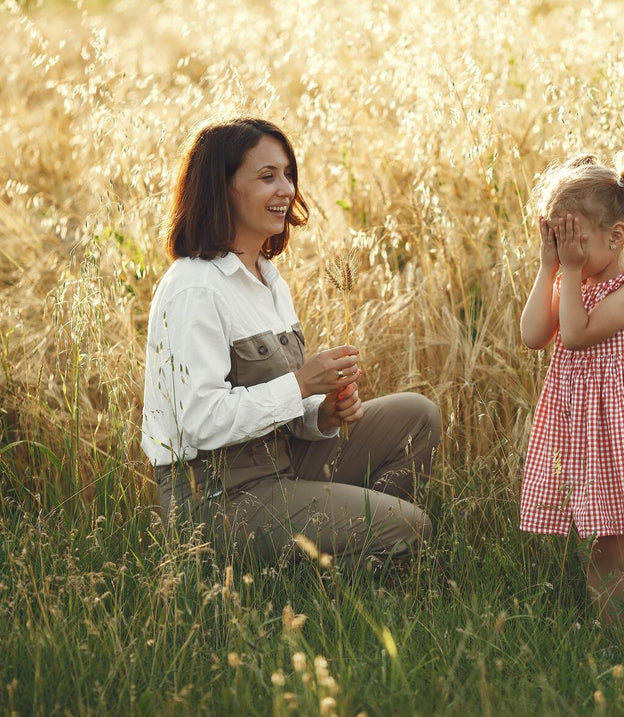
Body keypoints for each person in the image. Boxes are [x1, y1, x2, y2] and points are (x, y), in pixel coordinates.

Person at [142, 117, 439, 566]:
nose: (287, 189)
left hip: (281, 462)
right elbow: (199, 423)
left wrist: (319, 414)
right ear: (220, 188)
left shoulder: (266, 278)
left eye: (288, 174)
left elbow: (271, 404)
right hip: (218, 496)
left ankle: (343, 545)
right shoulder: (195, 288)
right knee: (410, 525)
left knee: (417, 417)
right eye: (267, 177)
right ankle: (323, 572)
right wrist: (301, 384)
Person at [518, 152, 624, 636]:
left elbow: (574, 334)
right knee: (596, 543)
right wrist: (550, 266)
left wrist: (567, 273)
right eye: (557, 238)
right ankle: (611, 637)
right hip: (583, 433)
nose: (567, 251)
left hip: (620, 434)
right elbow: (533, 334)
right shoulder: (575, 280)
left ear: (616, 236)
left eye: (575, 241)